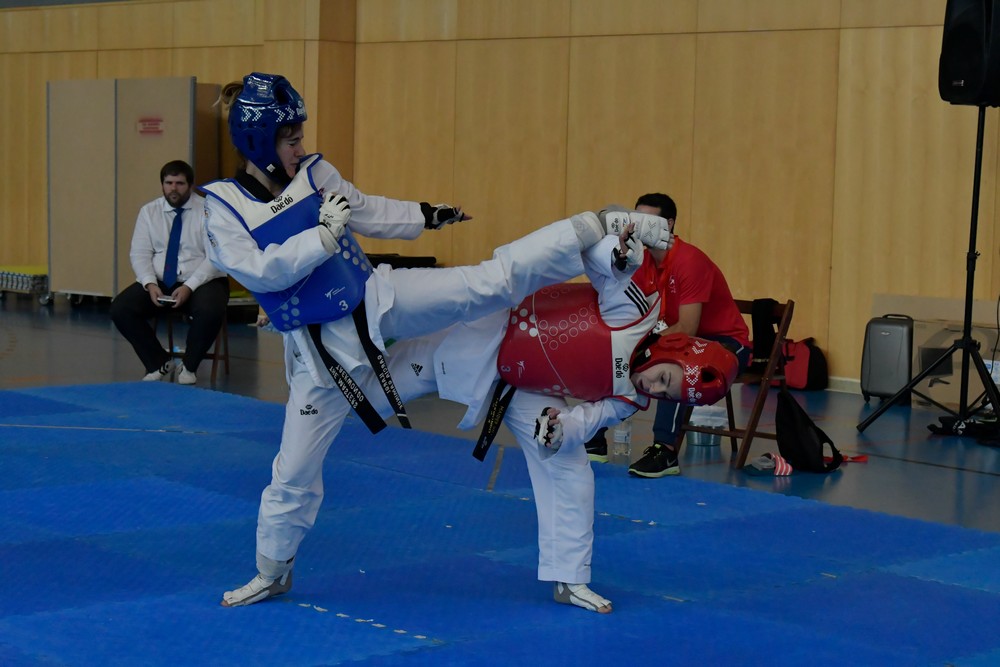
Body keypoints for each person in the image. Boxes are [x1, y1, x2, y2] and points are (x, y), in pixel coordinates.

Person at [202, 72, 674, 608]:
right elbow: (262, 273)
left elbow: (367, 207)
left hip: (379, 298)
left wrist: (424, 216)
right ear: (260, 145)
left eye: (300, 138)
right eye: (290, 141)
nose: (301, 148)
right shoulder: (222, 208)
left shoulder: (315, 173)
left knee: (484, 283)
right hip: (324, 356)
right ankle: (273, 570)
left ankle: (594, 224)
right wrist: (323, 236)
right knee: (293, 473)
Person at [383, 225, 738, 614]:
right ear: (672, 347)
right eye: (665, 378)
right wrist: (618, 256)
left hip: (525, 386)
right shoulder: (637, 311)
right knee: (367, 389)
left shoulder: (631, 397)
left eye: (666, 395)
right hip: (489, 323)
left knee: (570, 466)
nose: (654, 386)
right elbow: (606, 268)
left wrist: (559, 428)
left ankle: (569, 579)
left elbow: (588, 420)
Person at [614, 192, 752, 478]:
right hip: (679, 340)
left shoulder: (689, 261)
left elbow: (688, 329)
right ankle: (594, 435)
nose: (640, 227)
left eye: (648, 220)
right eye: (636, 219)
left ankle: (665, 450)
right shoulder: (643, 262)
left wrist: (646, 344)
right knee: (616, 350)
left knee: (675, 363)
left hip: (726, 343)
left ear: (670, 224)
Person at [110, 160, 230, 385]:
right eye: (169, 183)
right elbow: (140, 253)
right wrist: (149, 284)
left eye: (180, 183)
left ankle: (190, 366)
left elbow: (216, 257)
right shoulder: (149, 211)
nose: (173, 188)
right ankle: (158, 362)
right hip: (160, 279)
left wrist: (189, 287)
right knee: (121, 308)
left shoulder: (209, 210)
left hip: (203, 279)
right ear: (162, 185)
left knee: (210, 310)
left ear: (191, 185)